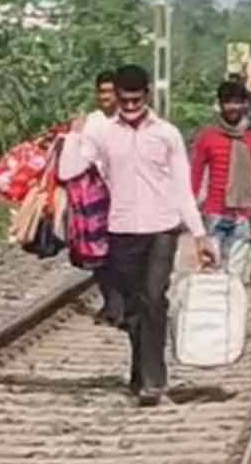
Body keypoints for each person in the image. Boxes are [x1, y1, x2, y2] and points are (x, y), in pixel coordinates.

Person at [58, 64, 215, 406]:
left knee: (154, 298)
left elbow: (182, 188)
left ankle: (154, 379)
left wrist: (200, 235)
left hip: (162, 228)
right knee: (132, 307)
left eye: (135, 100)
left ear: (147, 95)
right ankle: (139, 368)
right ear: (117, 98)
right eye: (124, 101)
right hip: (121, 229)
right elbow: (68, 171)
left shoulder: (167, 134)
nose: (130, 107)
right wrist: (75, 135)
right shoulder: (102, 134)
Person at [190, 82, 251, 284]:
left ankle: (233, 315)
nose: (232, 107)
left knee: (234, 278)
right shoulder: (207, 137)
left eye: (237, 102)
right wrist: (191, 215)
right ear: (220, 105)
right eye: (228, 102)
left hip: (243, 217)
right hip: (214, 215)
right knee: (213, 276)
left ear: (245, 105)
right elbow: (194, 177)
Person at [83, 70, 123, 326]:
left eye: (110, 91)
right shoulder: (92, 121)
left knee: (123, 253)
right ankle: (111, 303)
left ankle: (121, 306)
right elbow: (84, 155)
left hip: (126, 195)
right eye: (102, 92)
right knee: (99, 254)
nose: (105, 96)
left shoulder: (128, 118)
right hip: (97, 195)